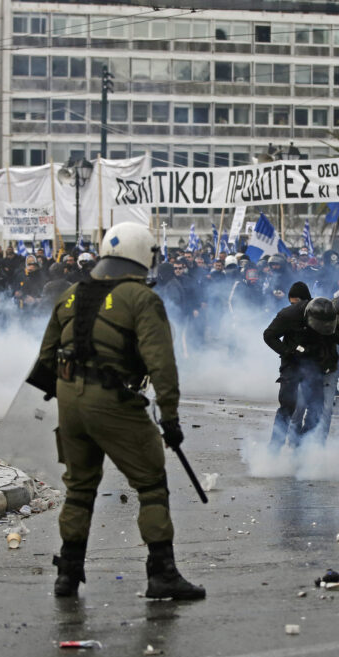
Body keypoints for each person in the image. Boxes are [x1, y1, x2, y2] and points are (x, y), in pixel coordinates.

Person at [29, 221, 204, 601]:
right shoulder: (141, 298)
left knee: (79, 489)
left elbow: (46, 356)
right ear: (143, 255)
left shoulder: (72, 294)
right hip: (110, 399)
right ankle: (163, 575)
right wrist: (170, 417)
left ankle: (68, 576)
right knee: (151, 483)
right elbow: (162, 363)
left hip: (69, 401)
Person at [263, 285, 339, 451]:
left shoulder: (328, 312)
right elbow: (269, 335)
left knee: (317, 407)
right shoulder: (288, 315)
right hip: (292, 362)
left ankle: (303, 449)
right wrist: (287, 351)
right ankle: (274, 450)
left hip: (315, 364)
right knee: (288, 406)